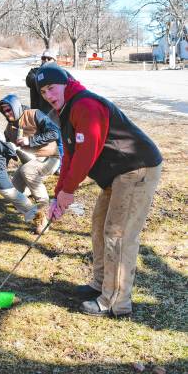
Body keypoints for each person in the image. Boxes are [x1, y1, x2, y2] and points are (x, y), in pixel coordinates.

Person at [37, 64, 163, 317]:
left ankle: (115, 300)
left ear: (65, 82)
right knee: (99, 225)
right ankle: (101, 283)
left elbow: (87, 151)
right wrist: (58, 195)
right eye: (43, 92)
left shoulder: (86, 105)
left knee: (118, 233)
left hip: (136, 168)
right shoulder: (66, 110)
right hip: (115, 174)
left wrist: (69, 191)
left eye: (51, 88)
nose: (49, 95)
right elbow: (70, 157)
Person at [0, 94, 61, 208]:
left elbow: (55, 133)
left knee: (27, 171)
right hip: (30, 162)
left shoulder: (34, 114)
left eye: (8, 109)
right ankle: (29, 192)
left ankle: (44, 206)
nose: (6, 113)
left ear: (15, 107)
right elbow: (6, 152)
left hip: (49, 158)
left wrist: (30, 141)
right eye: (4, 111)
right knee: (10, 191)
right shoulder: (9, 129)